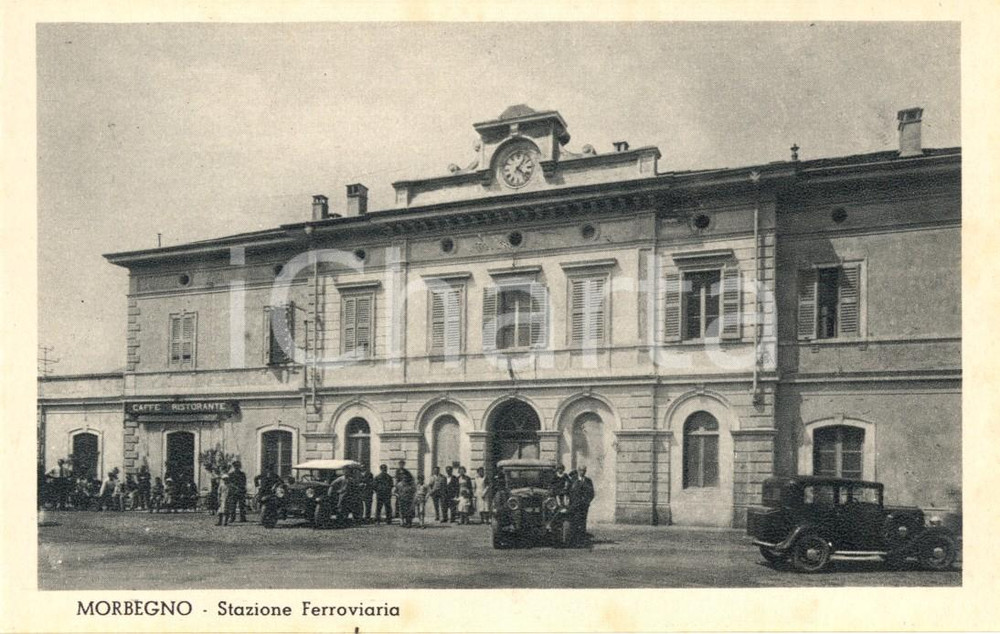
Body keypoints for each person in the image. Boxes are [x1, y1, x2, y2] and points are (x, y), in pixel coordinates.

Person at [569, 465, 596, 543]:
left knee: (582, 521)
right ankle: (573, 539)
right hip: (574, 505)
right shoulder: (573, 479)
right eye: (581, 470)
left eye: (584, 470)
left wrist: (587, 502)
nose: (582, 472)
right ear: (578, 470)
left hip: (584, 505)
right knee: (574, 521)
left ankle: (581, 539)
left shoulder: (588, 481)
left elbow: (592, 493)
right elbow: (568, 491)